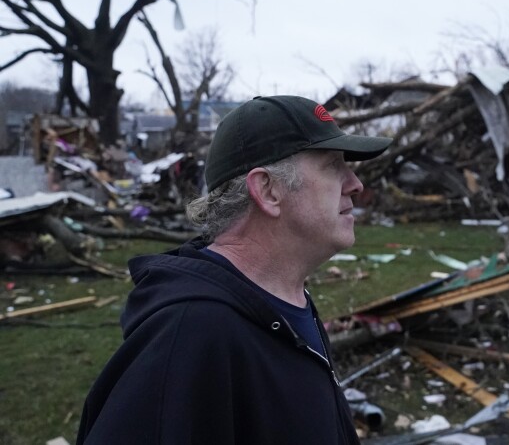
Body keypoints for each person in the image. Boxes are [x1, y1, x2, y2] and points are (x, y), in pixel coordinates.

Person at [77, 95, 392, 445]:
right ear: (268, 190)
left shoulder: (283, 300)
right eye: (333, 165)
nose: (355, 183)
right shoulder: (191, 334)